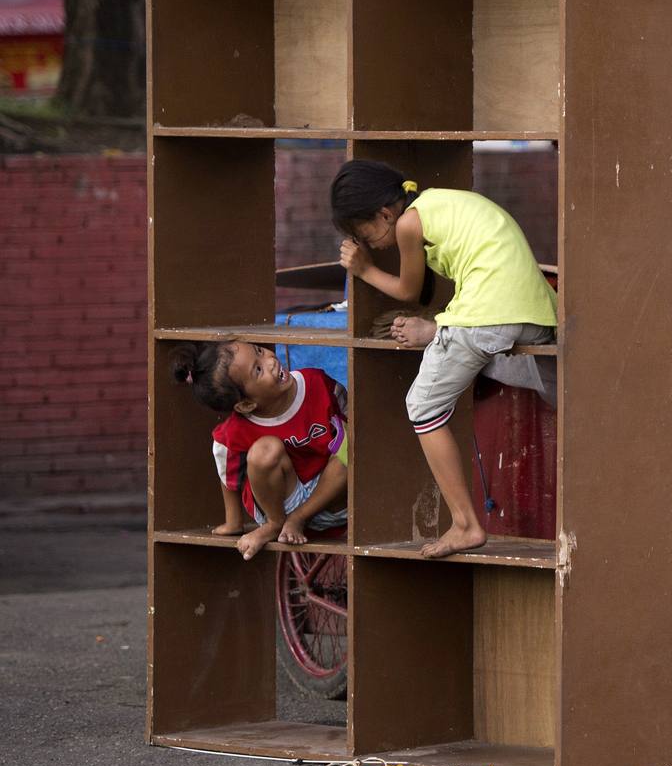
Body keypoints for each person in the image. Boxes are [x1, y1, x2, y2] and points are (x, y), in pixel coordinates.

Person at [331, 160, 556, 557]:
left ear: (385, 213)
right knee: (496, 359)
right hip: (534, 313)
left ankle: (466, 524)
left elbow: (406, 291)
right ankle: (437, 332)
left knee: (423, 406)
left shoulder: (407, 224)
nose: (368, 242)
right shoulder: (437, 204)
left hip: (491, 311)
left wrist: (364, 270)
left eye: (364, 232)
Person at [169, 341, 349, 560]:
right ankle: (274, 525)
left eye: (260, 351)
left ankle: (298, 519)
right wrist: (233, 521)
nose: (271, 361)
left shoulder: (316, 382)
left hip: (332, 499)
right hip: (281, 504)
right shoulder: (238, 430)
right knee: (265, 450)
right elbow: (228, 472)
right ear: (246, 405)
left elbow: (347, 410)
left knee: (349, 451)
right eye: (258, 369)